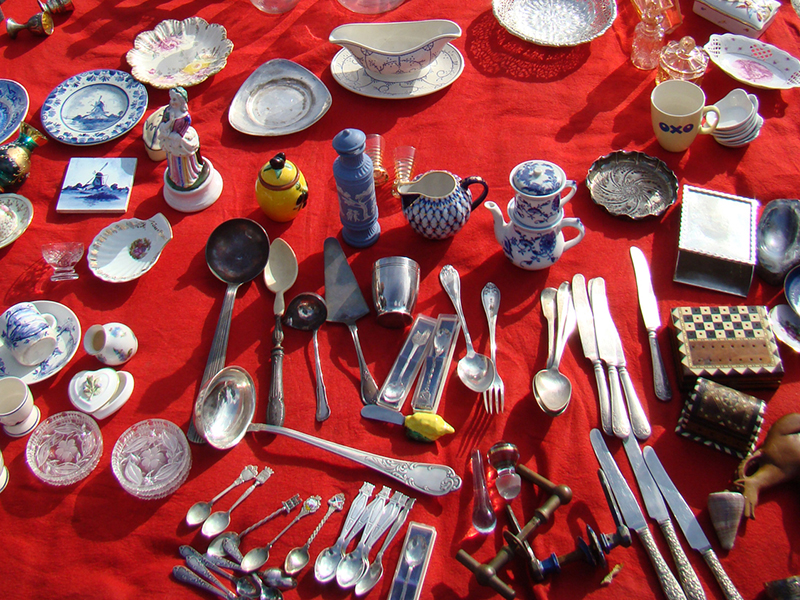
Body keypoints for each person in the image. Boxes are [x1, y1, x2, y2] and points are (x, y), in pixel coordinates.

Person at [156, 87, 207, 190]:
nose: (172, 102)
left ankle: (187, 178)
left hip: (178, 141)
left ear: (181, 101)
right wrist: (167, 126)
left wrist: (168, 135)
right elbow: (162, 124)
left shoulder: (185, 118)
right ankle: (175, 176)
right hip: (170, 141)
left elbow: (179, 135)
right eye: (171, 99)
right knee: (173, 159)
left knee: (184, 154)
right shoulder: (168, 111)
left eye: (175, 99)